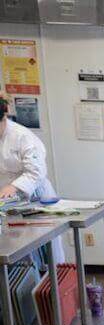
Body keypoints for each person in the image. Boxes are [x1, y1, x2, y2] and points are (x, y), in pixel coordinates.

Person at [0, 90, 65, 262]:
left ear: (3, 118)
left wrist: (13, 187)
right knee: (16, 249)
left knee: (45, 250)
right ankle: (22, 286)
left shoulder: (22, 136)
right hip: (8, 203)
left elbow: (36, 171)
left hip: (36, 198)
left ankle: (50, 286)